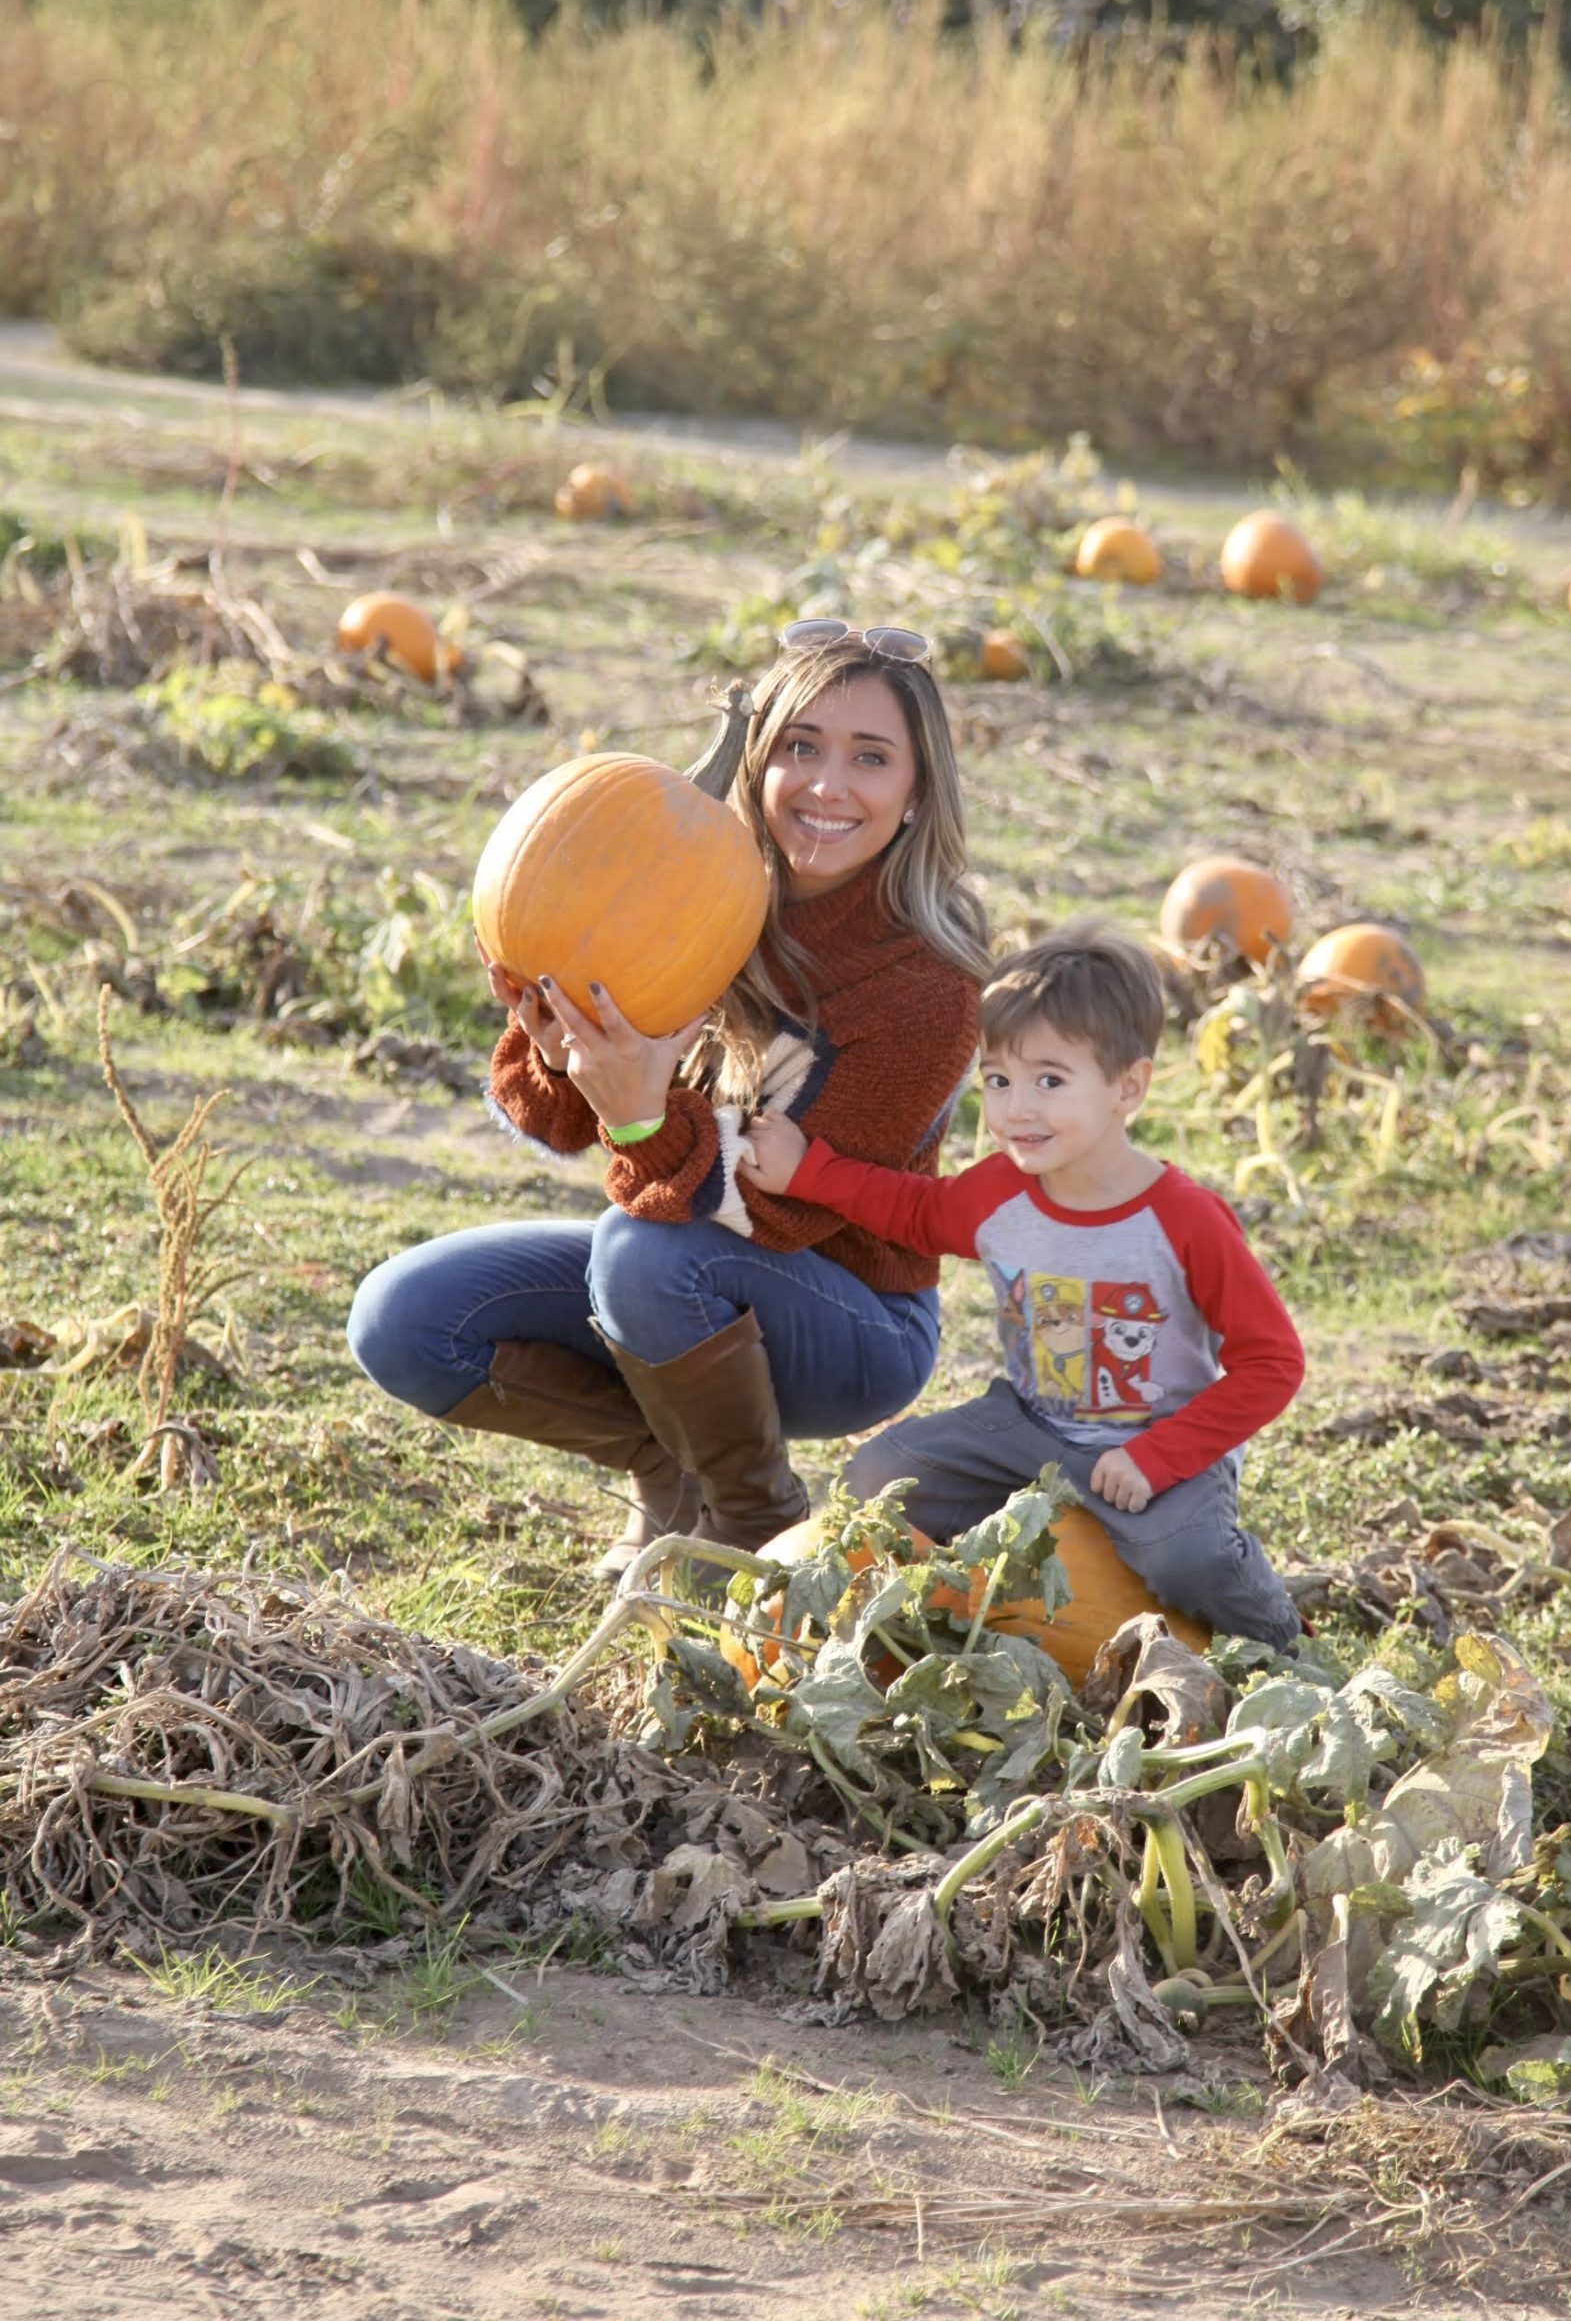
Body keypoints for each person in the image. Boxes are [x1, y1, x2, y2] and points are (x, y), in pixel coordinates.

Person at [346, 623, 987, 1579]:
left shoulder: (929, 984)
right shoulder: (687, 895)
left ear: (914, 794)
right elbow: (555, 1122)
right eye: (799, 748)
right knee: (404, 1318)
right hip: (672, 1268)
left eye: (869, 757)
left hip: (852, 1317)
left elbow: (782, 1206)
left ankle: (751, 1523)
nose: (825, 784)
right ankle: (668, 1463)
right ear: (759, 764)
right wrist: (556, 1040)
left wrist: (645, 1118)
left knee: (641, 1251)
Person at [741, 921, 1304, 1647]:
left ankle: (1284, 1642)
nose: (1017, 1108)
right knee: (881, 1477)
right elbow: (916, 1212)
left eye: (1050, 1079)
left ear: (1127, 1087)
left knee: (1186, 1559)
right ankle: (951, 1619)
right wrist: (807, 1173)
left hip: (1155, 1445)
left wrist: (1158, 1458)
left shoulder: (1183, 1221)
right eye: (999, 1080)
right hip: (1030, 1428)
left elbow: (1272, 1363)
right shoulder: (1000, 1192)